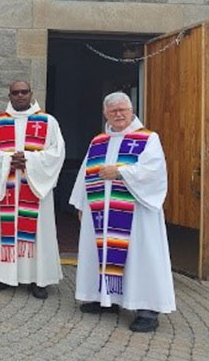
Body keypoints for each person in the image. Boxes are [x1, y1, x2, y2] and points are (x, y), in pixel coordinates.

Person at [69, 92, 175, 333]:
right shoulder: (98, 141)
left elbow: (154, 172)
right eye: (113, 111)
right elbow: (85, 173)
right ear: (105, 114)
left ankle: (147, 309)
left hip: (136, 214)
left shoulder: (148, 139)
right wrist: (81, 204)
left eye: (122, 110)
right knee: (103, 254)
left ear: (132, 111)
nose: (118, 114)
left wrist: (121, 173)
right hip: (101, 213)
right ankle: (108, 300)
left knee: (141, 258)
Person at [0, 80, 65, 298]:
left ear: (31, 93)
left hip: (35, 188)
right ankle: (4, 276)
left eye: (24, 92)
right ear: (9, 96)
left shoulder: (48, 121)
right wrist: (9, 160)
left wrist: (28, 159)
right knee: (5, 231)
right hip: (7, 187)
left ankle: (39, 280)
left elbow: (57, 154)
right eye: (15, 93)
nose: (20, 96)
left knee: (38, 233)